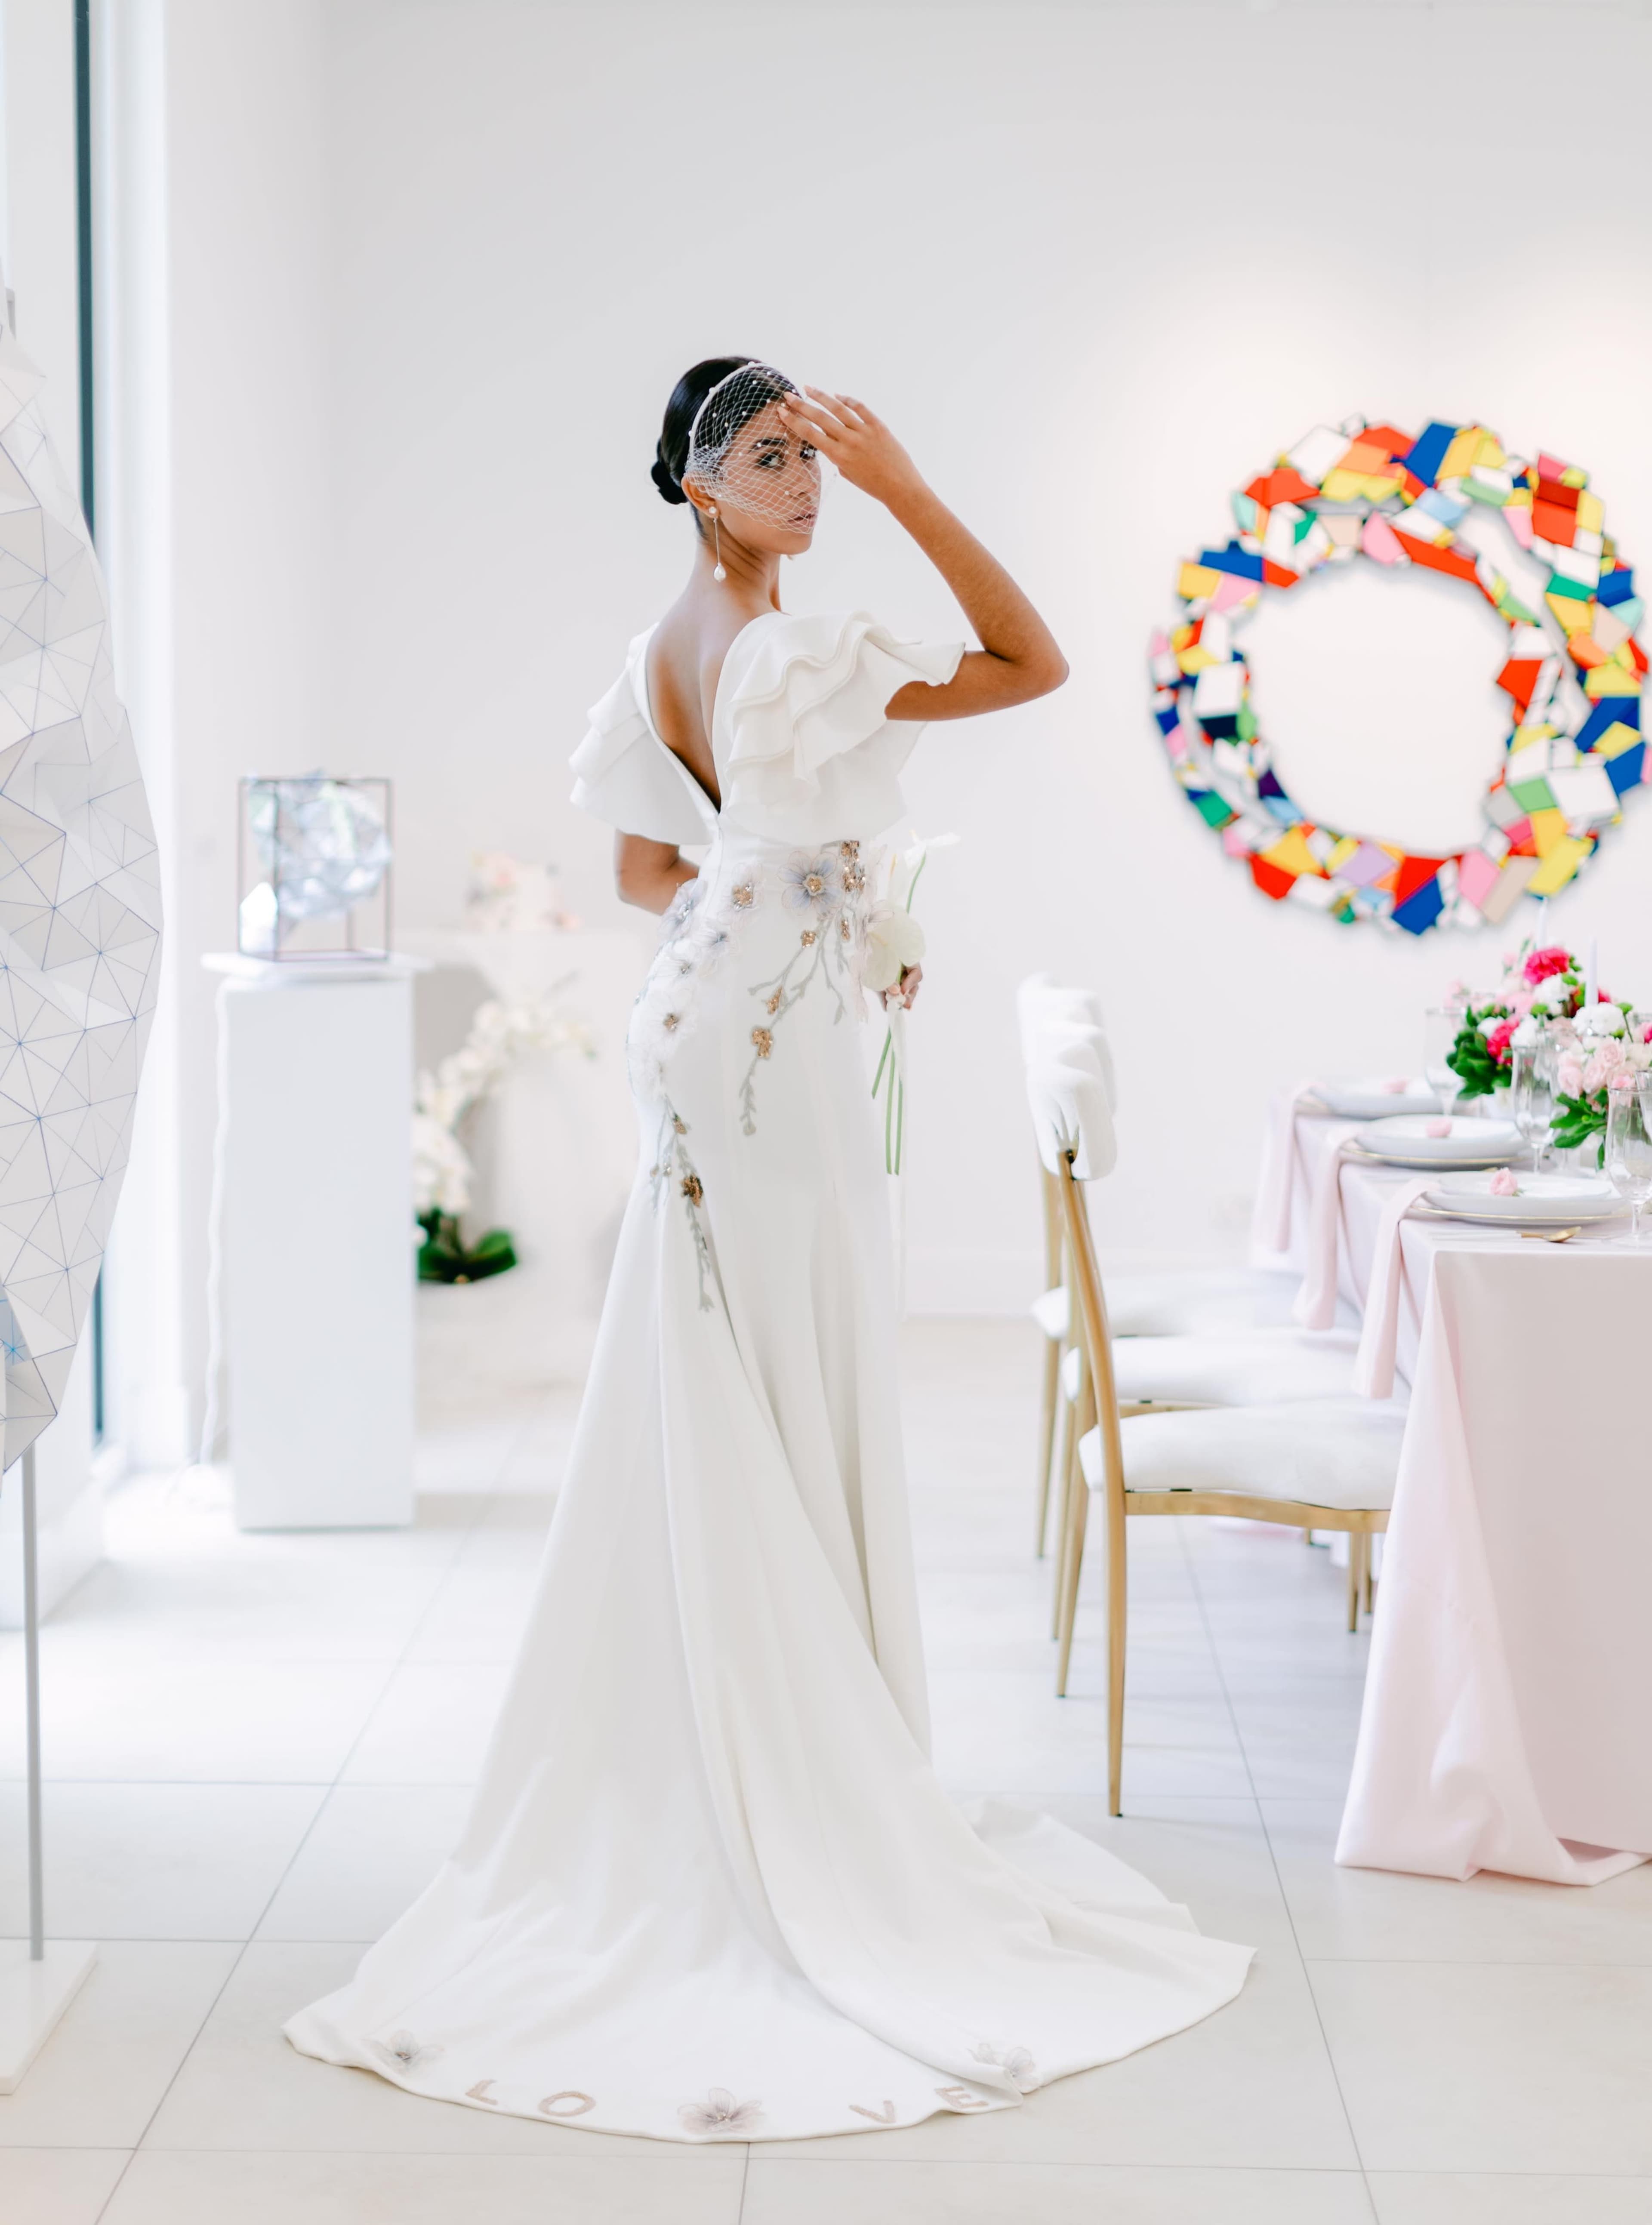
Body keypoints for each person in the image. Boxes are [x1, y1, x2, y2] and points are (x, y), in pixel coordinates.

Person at [285, 359, 1251, 2142]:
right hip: (766, 1055)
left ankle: (743, 1744)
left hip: (712, 1019)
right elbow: (1033, 660)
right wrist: (910, 487)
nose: (806, 482)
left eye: (817, 455)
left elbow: (654, 875)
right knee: (785, 1362)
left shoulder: (669, 643)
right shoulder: (790, 649)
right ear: (698, 486)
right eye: (770, 459)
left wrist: (820, 896)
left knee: (731, 1361)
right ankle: (797, 1780)